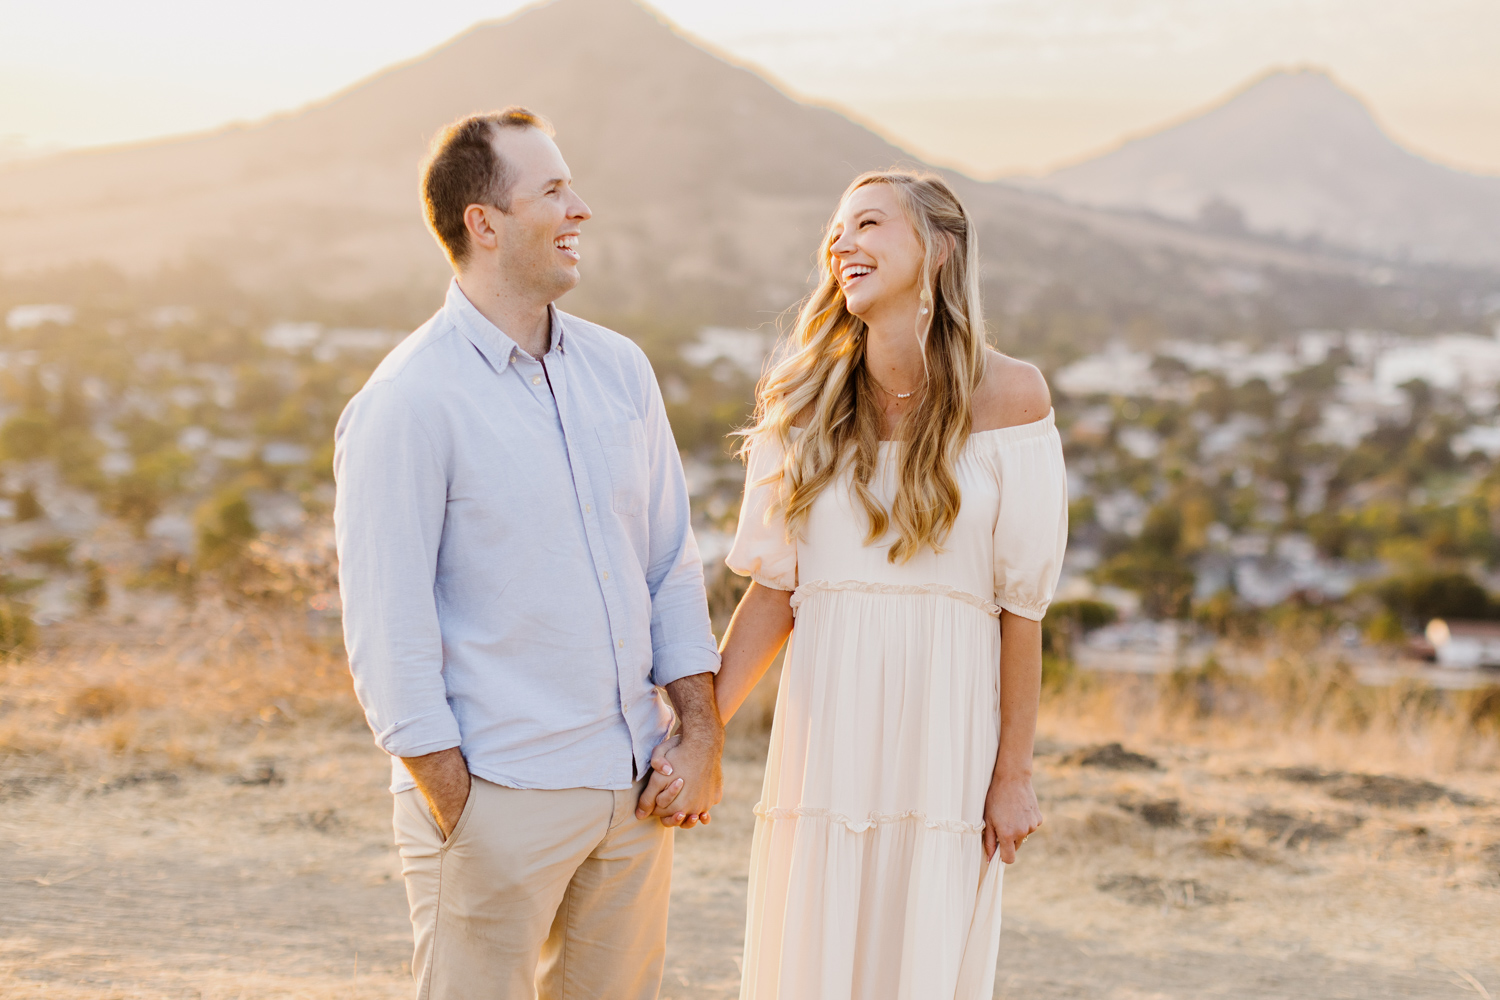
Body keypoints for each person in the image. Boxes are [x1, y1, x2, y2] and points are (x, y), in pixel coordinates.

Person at [333, 107, 723, 1000]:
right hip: (494, 797)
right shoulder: (409, 401)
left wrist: (699, 733)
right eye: (552, 189)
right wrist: (460, 809)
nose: (580, 206)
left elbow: (669, 565)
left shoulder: (622, 370)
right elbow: (387, 632)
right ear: (485, 223)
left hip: (632, 796)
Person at [706, 170, 1066, 998]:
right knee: (813, 956)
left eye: (867, 223)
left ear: (937, 250)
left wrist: (1013, 773)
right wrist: (702, 732)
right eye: (835, 230)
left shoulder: (1013, 397)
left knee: (920, 961)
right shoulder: (804, 402)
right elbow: (774, 591)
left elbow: (1022, 608)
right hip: (826, 731)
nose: (841, 243)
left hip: (946, 739)